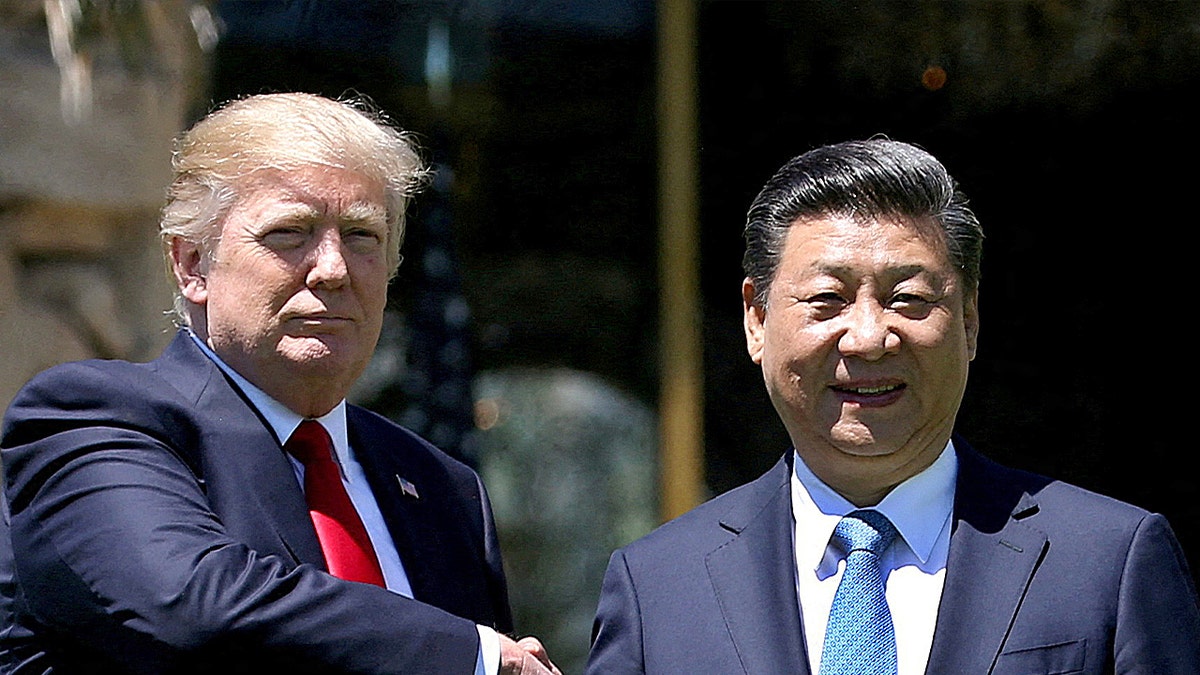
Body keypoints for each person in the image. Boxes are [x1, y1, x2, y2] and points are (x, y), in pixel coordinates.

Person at [586, 138, 1200, 674]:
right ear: (756, 318)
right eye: (827, 299)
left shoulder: (1108, 561)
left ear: (968, 319)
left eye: (907, 299)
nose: (870, 337)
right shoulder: (659, 587)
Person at [0, 92, 559, 675]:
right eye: (291, 232)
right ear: (193, 264)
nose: (334, 269)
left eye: (362, 236)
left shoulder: (441, 487)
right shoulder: (96, 419)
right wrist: (479, 655)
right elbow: (193, 604)